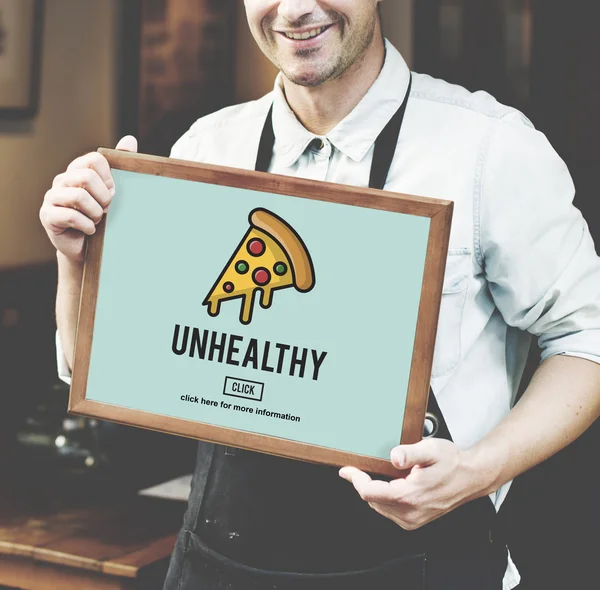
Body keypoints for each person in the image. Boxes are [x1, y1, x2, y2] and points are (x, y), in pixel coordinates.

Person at [40, 1, 600, 589]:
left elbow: (587, 340)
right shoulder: (205, 151)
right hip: (218, 568)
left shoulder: (490, 149)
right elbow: (97, 371)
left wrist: (478, 471)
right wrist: (73, 258)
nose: (298, 7)